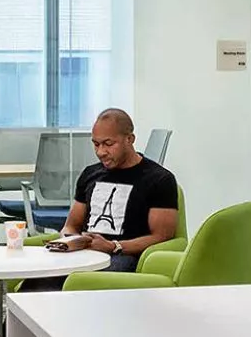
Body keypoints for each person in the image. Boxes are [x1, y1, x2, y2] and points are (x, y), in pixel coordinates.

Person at [56, 107, 181, 275]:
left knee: (94, 278)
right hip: (84, 253)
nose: (100, 152)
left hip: (124, 255)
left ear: (129, 139)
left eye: (108, 144)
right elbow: (71, 225)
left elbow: (161, 236)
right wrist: (69, 240)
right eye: (96, 144)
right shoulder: (90, 174)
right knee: (38, 281)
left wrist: (114, 246)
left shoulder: (159, 179)